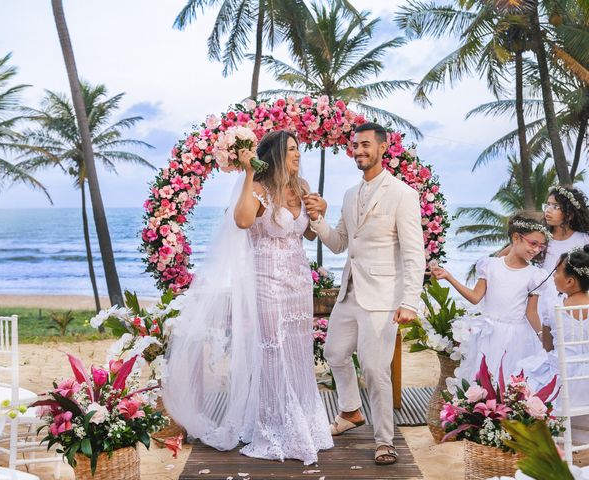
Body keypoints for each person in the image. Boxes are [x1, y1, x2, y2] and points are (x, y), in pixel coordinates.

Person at [162, 130, 333, 465]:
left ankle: (303, 425)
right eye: (292, 150)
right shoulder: (258, 188)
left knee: (298, 350)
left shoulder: (300, 187)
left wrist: (319, 210)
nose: (298, 155)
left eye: (299, 149)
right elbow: (241, 220)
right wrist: (249, 171)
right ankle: (272, 429)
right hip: (266, 279)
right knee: (272, 350)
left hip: (299, 282)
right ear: (275, 155)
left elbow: (309, 232)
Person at [304, 122, 426, 465]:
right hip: (349, 293)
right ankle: (350, 411)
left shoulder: (403, 194)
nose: (358, 150)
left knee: (375, 370)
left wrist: (409, 302)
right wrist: (317, 219)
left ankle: (385, 440)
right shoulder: (348, 194)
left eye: (365, 145)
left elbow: (415, 254)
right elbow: (341, 243)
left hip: (384, 298)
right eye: (355, 145)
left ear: (383, 148)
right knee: (334, 353)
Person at [431, 213, 549, 383]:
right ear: (516, 238)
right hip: (489, 334)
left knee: (511, 382)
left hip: (517, 337)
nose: (536, 250)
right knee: (483, 380)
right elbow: (475, 297)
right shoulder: (490, 265)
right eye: (533, 243)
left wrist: (541, 336)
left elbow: (531, 313)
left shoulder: (535, 275)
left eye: (541, 246)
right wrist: (449, 277)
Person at [517, 245, 589, 443]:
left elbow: (548, 346)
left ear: (570, 281)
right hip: (587, 381)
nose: (553, 275)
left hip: (565, 384)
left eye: (557, 271)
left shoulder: (554, 308)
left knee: (525, 373)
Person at [538, 186, 589, 349]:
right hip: (542, 304)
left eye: (556, 206)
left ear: (570, 213)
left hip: (572, 305)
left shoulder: (583, 240)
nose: (548, 210)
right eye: (547, 205)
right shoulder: (542, 240)